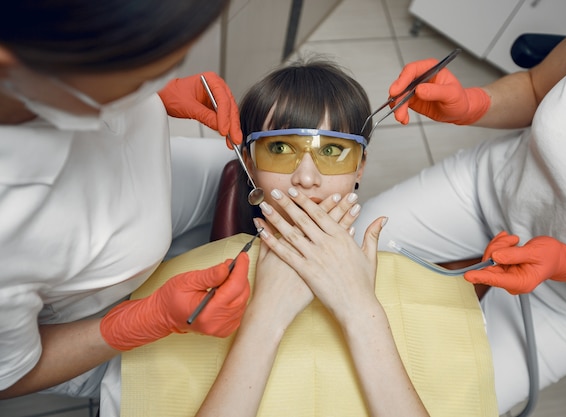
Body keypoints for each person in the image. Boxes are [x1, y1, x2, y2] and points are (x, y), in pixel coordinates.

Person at [352, 0, 566, 413]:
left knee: (444, 406)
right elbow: (536, 87)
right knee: (342, 254)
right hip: (489, 191)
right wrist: (470, 104)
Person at [0, 2, 250, 416]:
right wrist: (145, 319)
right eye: (138, 72)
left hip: (147, 179)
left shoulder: (50, 70)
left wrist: (147, 90)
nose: (161, 78)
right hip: (87, 322)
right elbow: (9, 375)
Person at [196, 58, 431, 417]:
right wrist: (266, 313)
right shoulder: (202, 274)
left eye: (331, 151)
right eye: (280, 149)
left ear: (361, 167)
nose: (307, 178)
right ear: (248, 162)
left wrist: (359, 305)